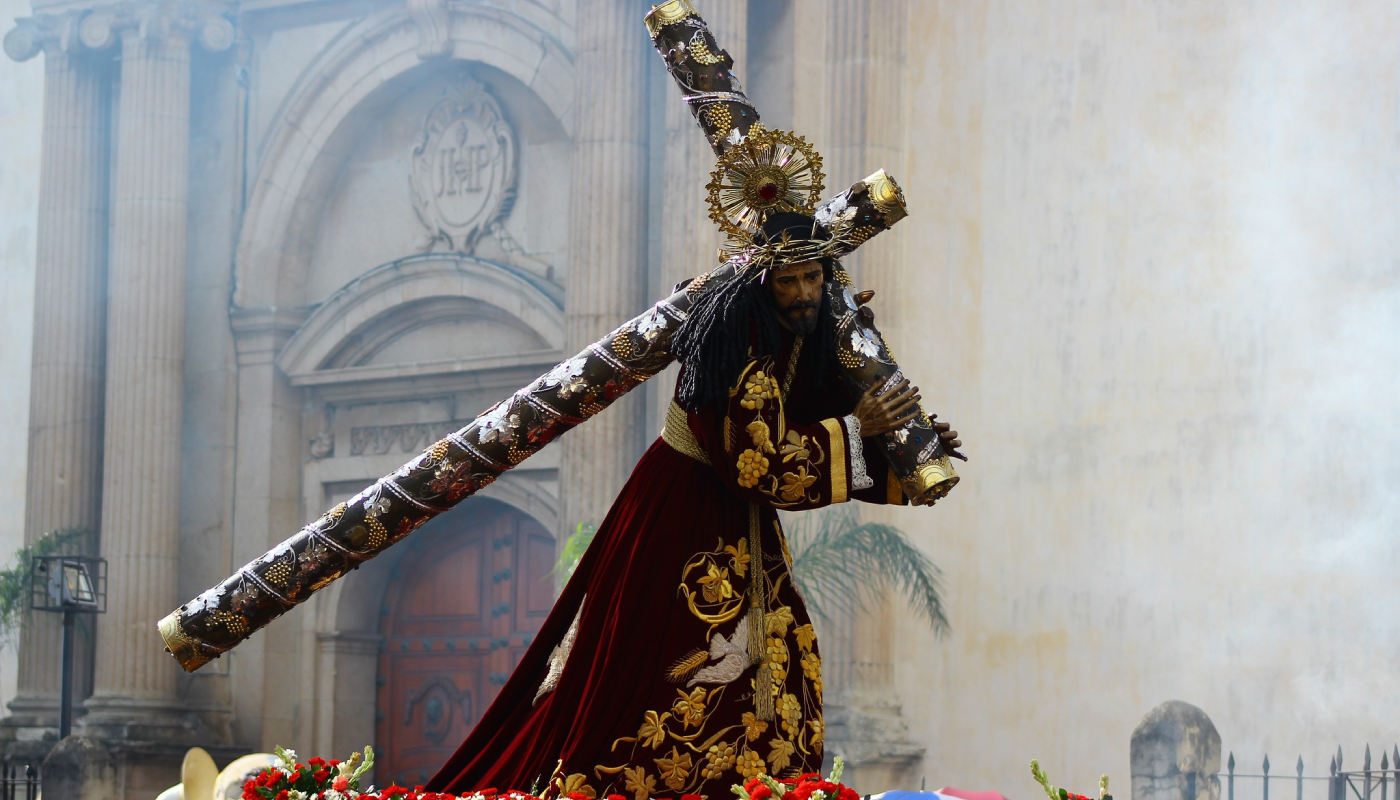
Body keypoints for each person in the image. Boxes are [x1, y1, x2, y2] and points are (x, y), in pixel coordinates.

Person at [426, 212, 961, 798]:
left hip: (735, 515)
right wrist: (859, 431)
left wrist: (905, 450)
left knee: (773, 659)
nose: (805, 293)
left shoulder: (796, 331)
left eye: (813, 277)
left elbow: (812, 409)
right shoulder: (736, 339)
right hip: (684, 512)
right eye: (789, 281)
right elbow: (757, 463)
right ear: (763, 283)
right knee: (656, 665)